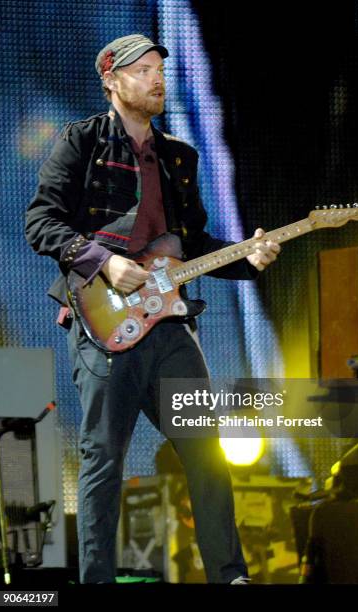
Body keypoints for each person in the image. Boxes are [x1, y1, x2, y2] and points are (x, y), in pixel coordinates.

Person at [25, 34, 280, 584]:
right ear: (112, 81)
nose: (157, 78)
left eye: (160, 68)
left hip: (170, 329)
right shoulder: (81, 142)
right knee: (103, 461)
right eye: (142, 70)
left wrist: (248, 259)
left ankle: (229, 576)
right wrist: (104, 262)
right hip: (103, 324)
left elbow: (192, 247)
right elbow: (41, 222)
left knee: (207, 452)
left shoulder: (179, 158)